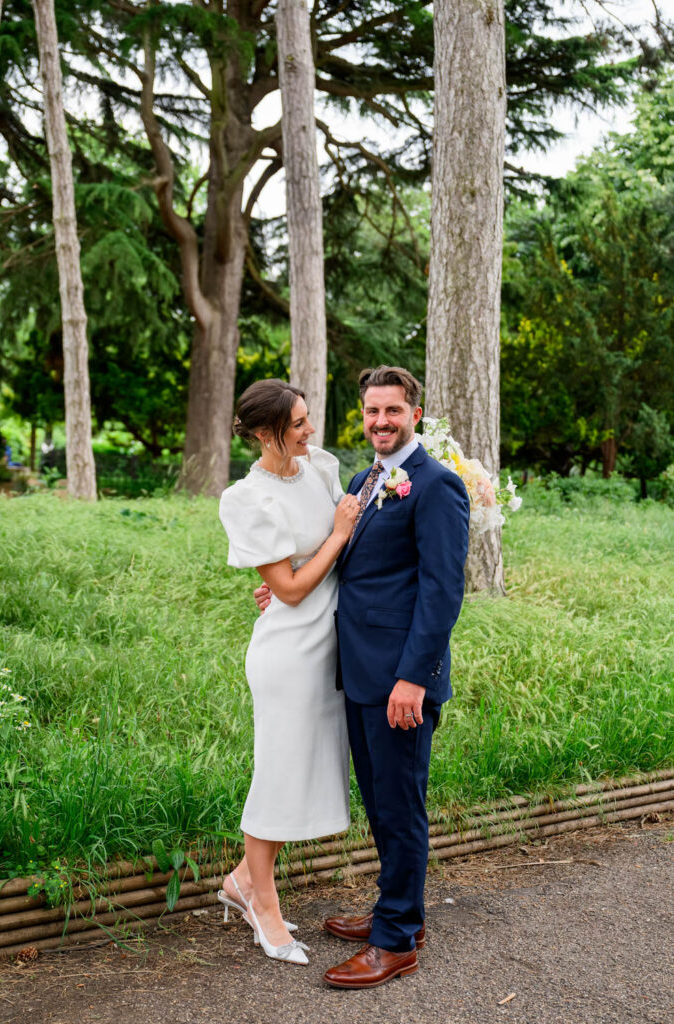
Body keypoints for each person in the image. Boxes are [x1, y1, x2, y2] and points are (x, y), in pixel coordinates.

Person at [255, 365, 470, 988]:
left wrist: (416, 679)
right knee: (381, 802)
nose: (381, 421)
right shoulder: (365, 479)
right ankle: (398, 912)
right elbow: (349, 562)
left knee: (400, 807)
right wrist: (285, 591)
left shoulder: (435, 486)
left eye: (393, 412)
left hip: (401, 680)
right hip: (357, 671)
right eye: (372, 411)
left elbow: (441, 591)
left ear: (415, 416)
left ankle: (396, 941)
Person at [217, 378, 360, 967]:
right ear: (264, 432)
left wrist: (322, 552)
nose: (310, 429)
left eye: (306, 418)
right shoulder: (245, 499)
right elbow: (294, 590)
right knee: (276, 774)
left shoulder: (321, 467)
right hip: (288, 652)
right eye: (298, 423)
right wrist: (338, 535)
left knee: (300, 770)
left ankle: (240, 880)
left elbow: (309, 567)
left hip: (330, 644)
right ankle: (264, 909)